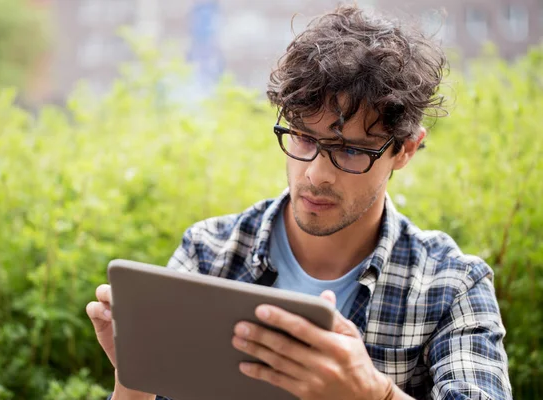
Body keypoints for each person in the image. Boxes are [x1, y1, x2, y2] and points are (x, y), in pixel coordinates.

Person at [86, 5, 512, 400]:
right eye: (304, 138)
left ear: (405, 150)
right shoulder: (209, 253)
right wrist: (134, 381)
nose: (315, 174)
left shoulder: (453, 285)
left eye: (349, 150)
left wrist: (373, 394)